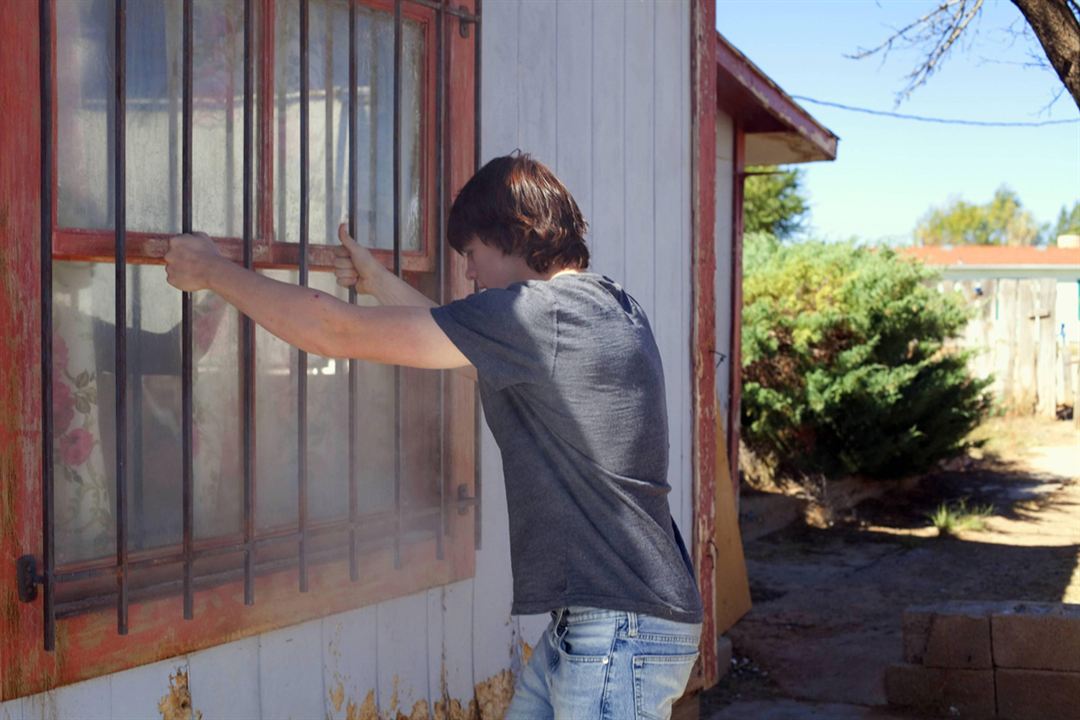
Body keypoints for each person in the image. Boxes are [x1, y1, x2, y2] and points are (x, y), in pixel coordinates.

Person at [164, 153, 703, 720]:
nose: (468, 273)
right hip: (608, 617)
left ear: (513, 236)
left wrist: (213, 272)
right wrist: (377, 282)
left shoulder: (540, 315)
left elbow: (334, 330)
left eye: (470, 255)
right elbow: (459, 348)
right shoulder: (601, 305)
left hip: (618, 627)